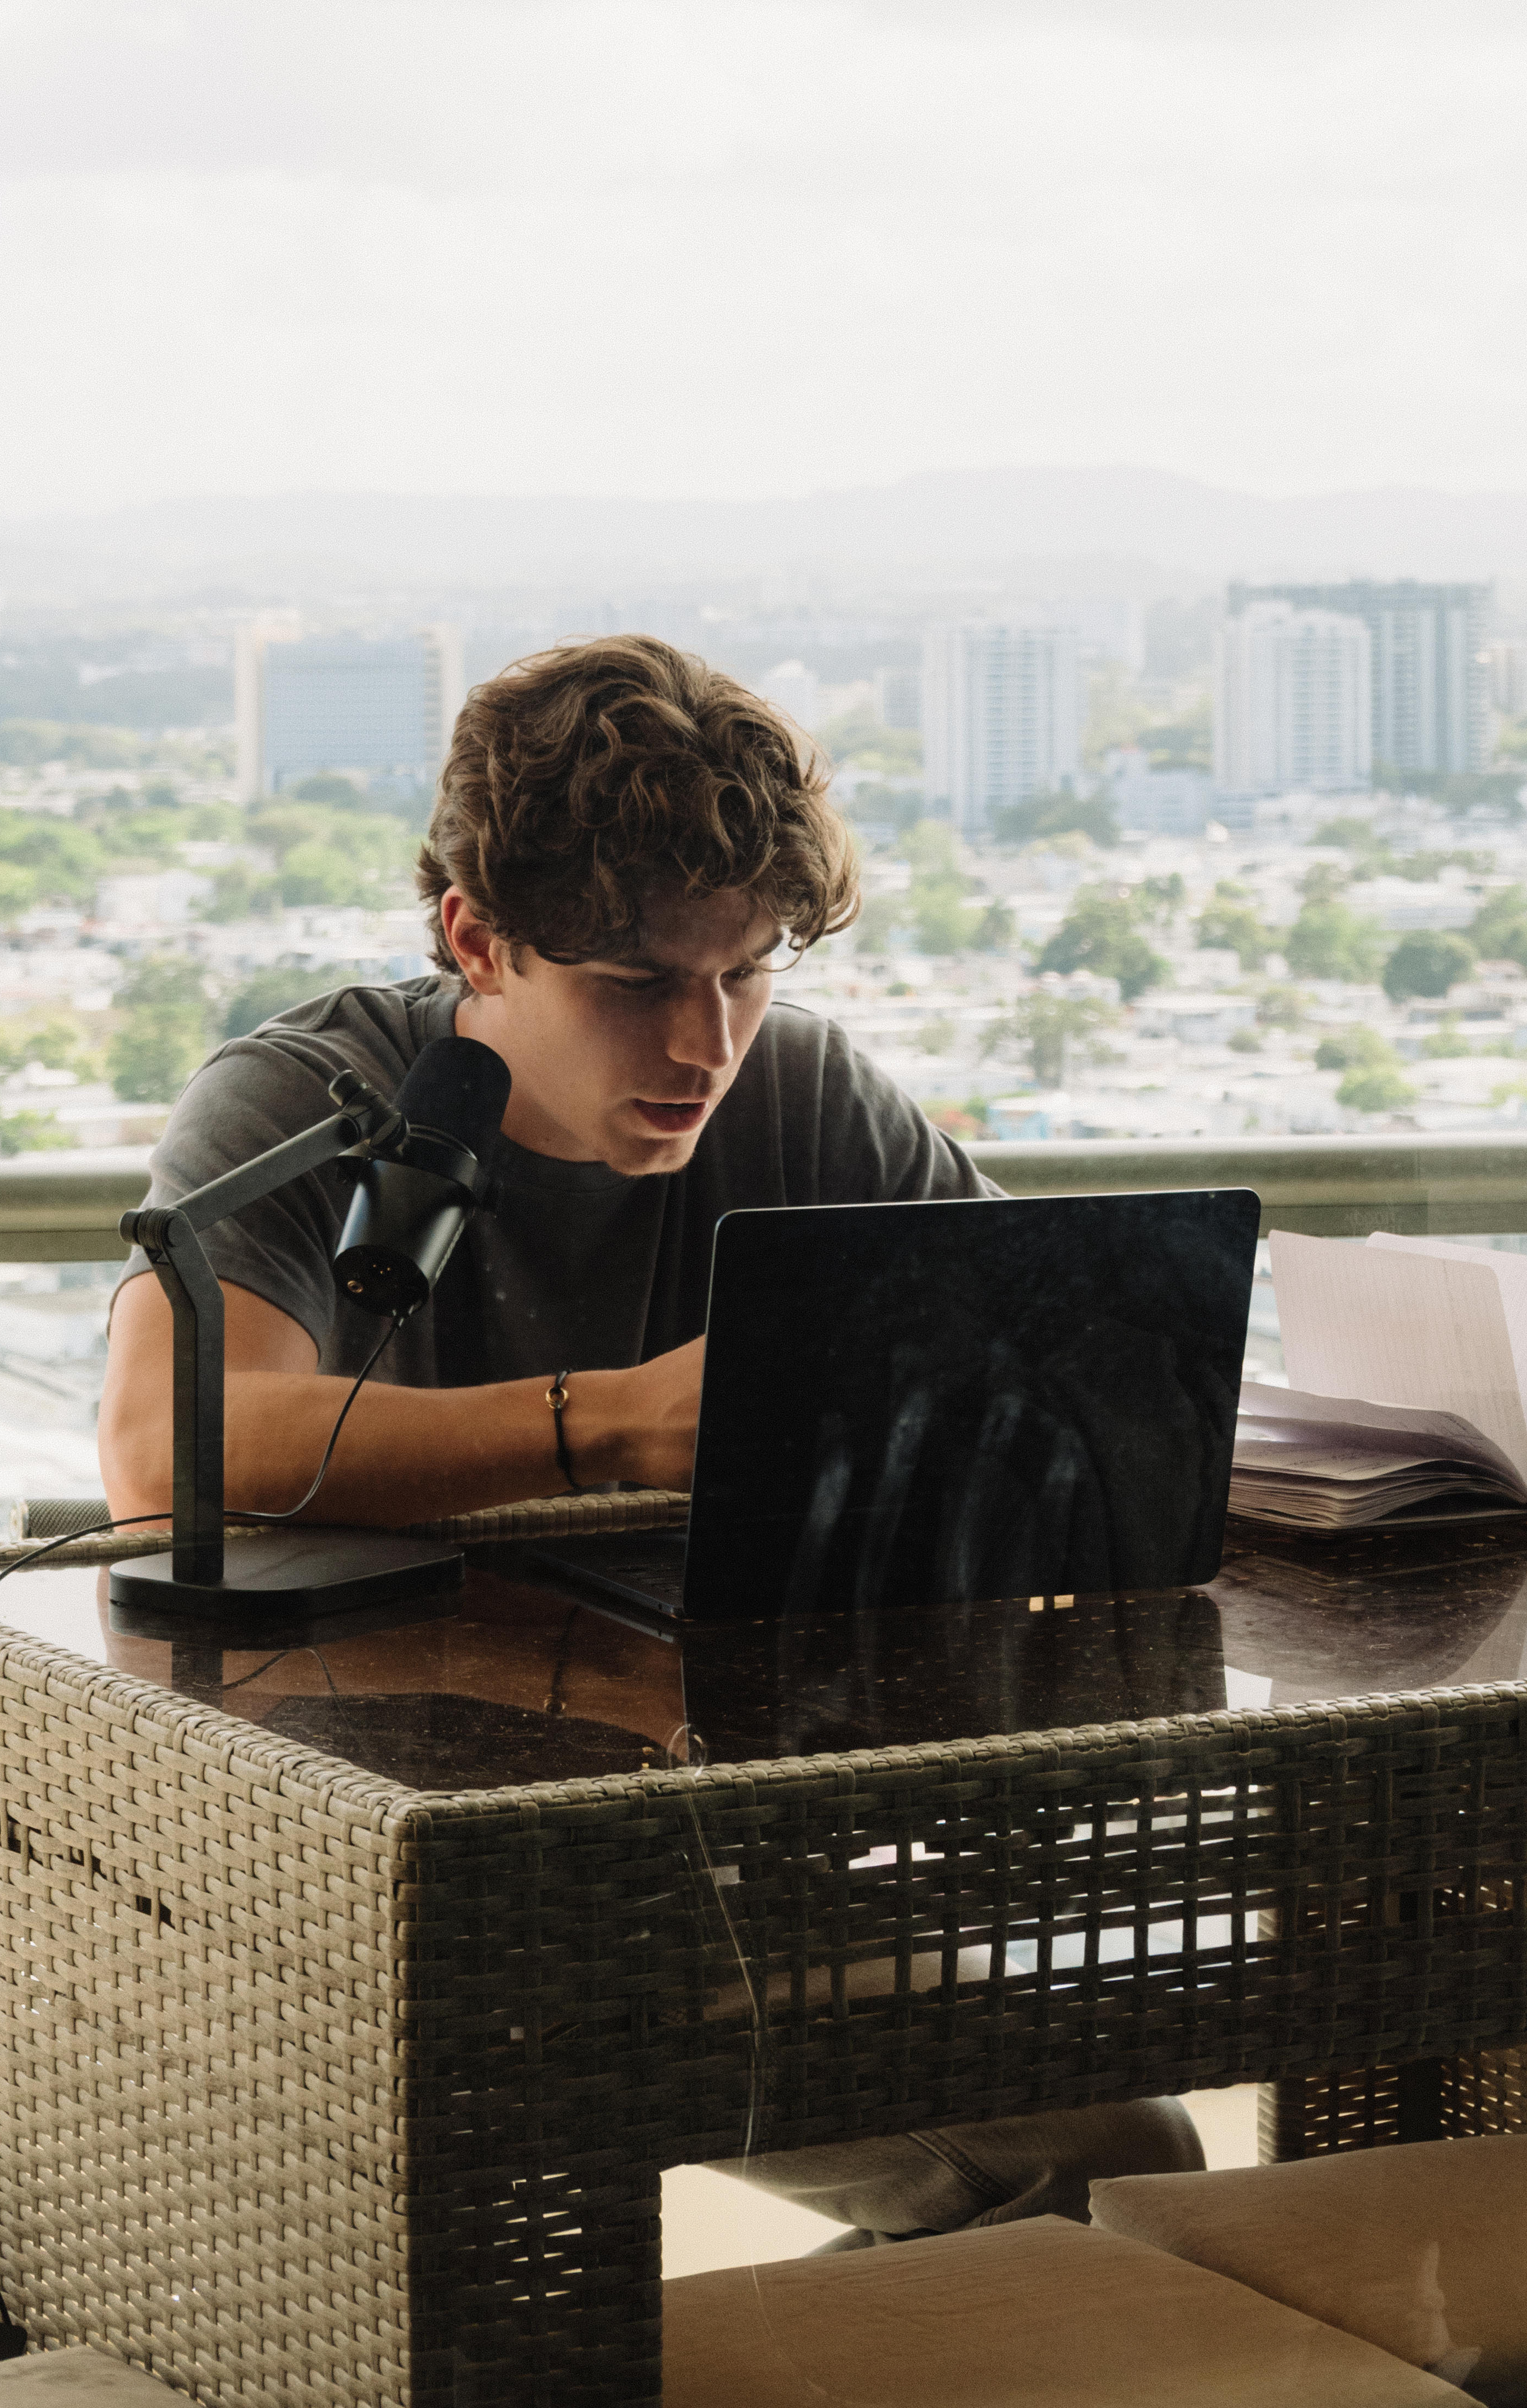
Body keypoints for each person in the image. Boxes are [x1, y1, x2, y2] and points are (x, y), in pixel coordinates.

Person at [99, 632, 1201, 2238]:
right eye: (639, 986)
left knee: (1125, 2160)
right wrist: (613, 1429)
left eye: (747, 971)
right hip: (343, 1873)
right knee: (1077, 2173)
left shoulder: (800, 1093)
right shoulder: (310, 1100)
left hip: (702, 1840)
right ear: (478, 939)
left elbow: (1050, 1360)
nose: (707, 1042)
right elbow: (170, 1450)